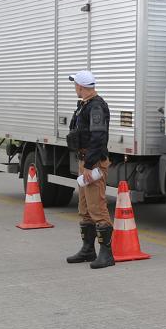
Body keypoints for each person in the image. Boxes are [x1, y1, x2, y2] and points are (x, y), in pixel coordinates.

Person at [65, 70, 114, 269]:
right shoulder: (84, 105)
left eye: (75, 85)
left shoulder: (96, 107)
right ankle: (88, 249)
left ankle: (107, 254)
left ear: (81, 87)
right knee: (84, 208)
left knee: (97, 208)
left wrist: (89, 165)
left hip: (92, 163)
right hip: (85, 160)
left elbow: (98, 138)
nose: (74, 88)